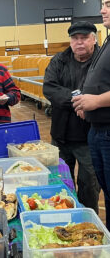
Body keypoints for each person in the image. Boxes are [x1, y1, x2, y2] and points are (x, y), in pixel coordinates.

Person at [43, 21, 100, 213]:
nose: (79, 42)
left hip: (89, 136)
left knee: (89, 185)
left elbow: (102, 90)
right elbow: (50, 88)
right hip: (60, 135)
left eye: (84, 38)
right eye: (75, 38)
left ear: (94, 38)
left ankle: (87, 218)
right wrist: (78, 99)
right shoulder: (59, 60)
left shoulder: (101, 61)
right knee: (60, 184)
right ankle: (64, 217)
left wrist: (90, 102)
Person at [72, 0, 110, 230]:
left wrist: (96, 102)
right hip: (97, 130)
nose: (102, 10)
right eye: (103, 4)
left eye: (108, 5)